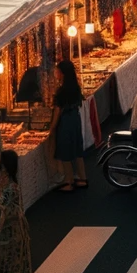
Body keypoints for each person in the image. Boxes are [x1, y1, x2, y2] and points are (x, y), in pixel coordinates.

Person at [0, 150, 33, 273]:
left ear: (3, 166)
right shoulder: (5, 182)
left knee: (9, 263)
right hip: (10, 229)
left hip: (10, 232)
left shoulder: (9, 187)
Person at [49, 59, 87, 191]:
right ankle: (82, 178)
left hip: (66, 121)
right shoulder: (76, 87)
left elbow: (57, 111)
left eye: (57, 71)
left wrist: (52, 127)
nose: (55, 73)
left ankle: (68, 181)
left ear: (62, 73)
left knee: (65, 150)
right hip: (75, 119)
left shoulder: (62, 91)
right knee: (77, 148)